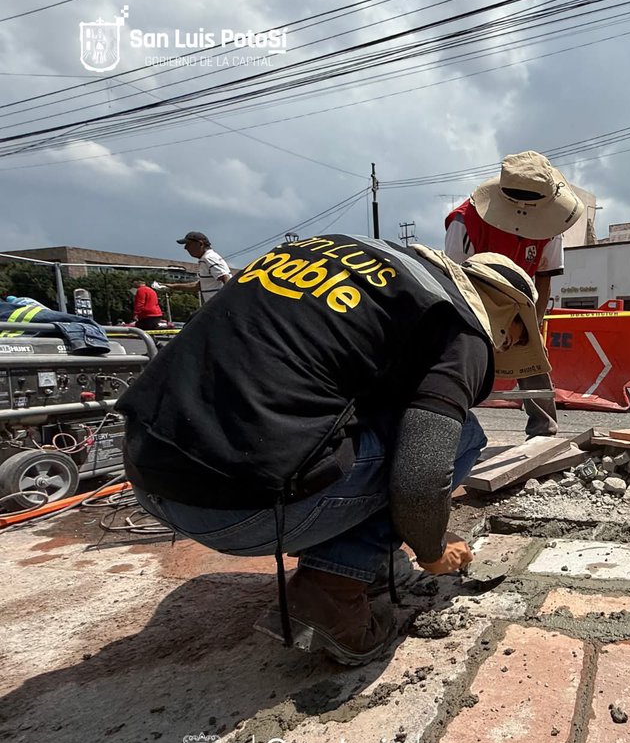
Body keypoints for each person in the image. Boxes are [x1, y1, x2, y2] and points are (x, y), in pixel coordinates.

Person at [117, 234, 551, 666]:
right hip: (239, 510)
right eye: (515, 335)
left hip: (147, 471)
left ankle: (361, 559)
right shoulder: (461, 328)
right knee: (463, 436)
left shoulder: (359, 260)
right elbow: (421, 474)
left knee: (374, 418)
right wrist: (432, 548)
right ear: (507, 313)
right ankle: (332, 590)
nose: (507, 347)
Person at [444, 151, 583, 438]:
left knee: (533, 356)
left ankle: (544, 430)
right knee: (461, 357)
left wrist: (535, 324)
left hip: (522, 299)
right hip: (474, 295)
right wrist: (485, 327)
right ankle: (449, 428)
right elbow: (455, 280)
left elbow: (544, 279)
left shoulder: (551, 223)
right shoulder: (466, 221)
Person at [162, 231, 232, 306]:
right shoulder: (206, 258)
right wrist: (173, 286)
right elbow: (199, 285)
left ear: (200, 244)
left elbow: (226, 278)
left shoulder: (209, 258)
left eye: (188, 244)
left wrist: (227, 303)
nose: (185, 248)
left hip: (220, 307)